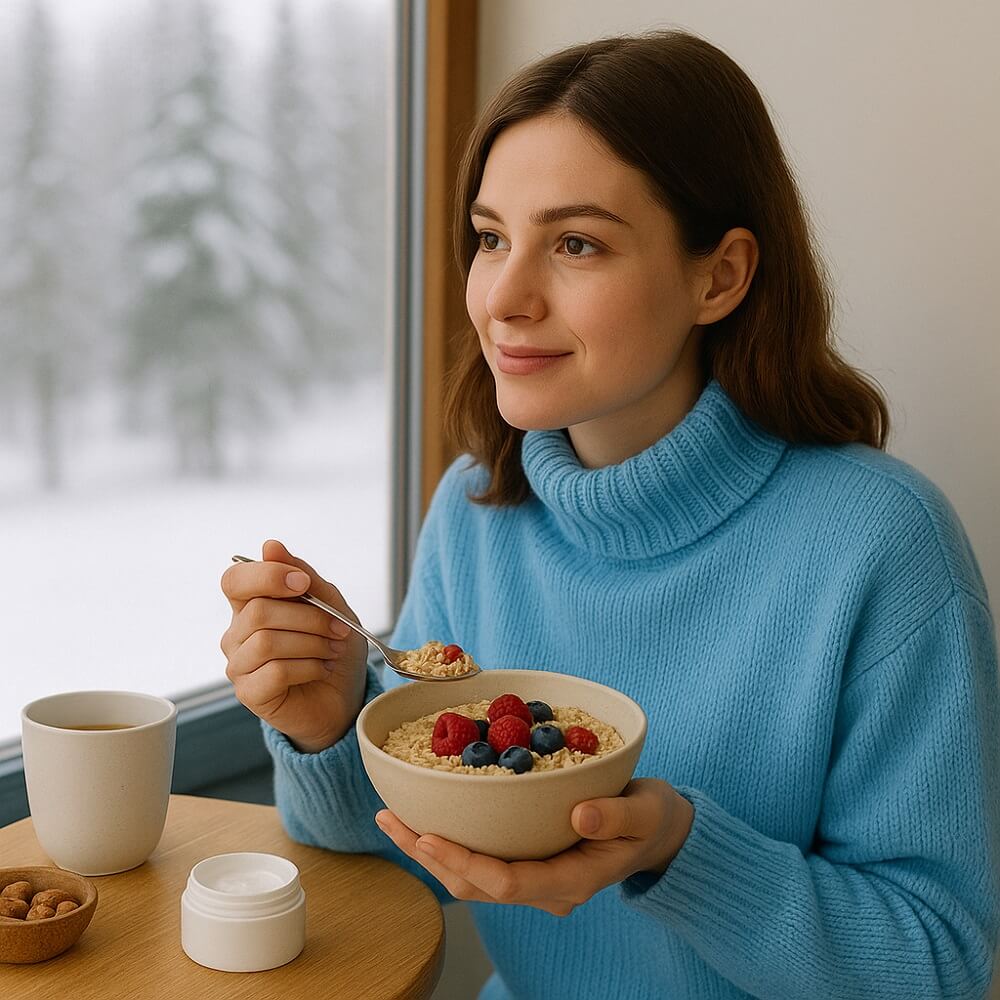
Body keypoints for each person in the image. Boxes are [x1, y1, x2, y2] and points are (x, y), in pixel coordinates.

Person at [220, 28, 999, 1000]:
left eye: (576, 244)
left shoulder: (883, 547)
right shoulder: (474, 512)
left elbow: (936, 964)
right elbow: (425, 852)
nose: (503, 296)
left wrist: (678, 851)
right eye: (492, 237)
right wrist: (331, 723)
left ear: (718, 276)